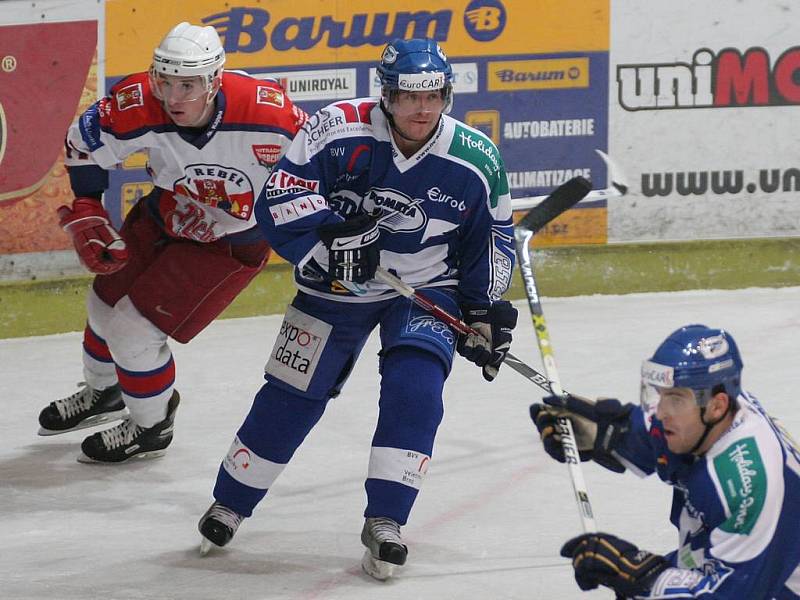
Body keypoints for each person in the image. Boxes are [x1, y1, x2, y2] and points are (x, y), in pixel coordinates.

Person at [196, 38, 519, 580]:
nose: (423, 109)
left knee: (415, 390)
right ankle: (230, 500)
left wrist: (482, 312)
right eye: (410, 97)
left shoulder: (475, 158)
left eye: (434, 95)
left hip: (426, 286)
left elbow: (491, 240)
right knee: (292, 392)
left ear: (447, 95)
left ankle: (387, 521)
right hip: (334, 286)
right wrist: (326, 249)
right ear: (386, 96)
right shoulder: (336, 127)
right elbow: (279, 195)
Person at [37, 22, 307, 463]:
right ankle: (103, 392)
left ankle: (151, 424)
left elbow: (322, 167)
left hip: (229, 242)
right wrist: (87, 202)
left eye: (188, 84)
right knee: (103, 303)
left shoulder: (268, 115)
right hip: (166, 214)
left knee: (133, 331)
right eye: (165, 82)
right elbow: (82, 144)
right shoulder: (138, 102)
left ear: (214, 80)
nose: (175, 97)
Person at [530, 324, 800, 598]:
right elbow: (654, 435)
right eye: (660, 395)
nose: (660, 413)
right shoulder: (718, 411)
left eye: (676, 399)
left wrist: (641, 575)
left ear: (717, 406)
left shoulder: (750, 485)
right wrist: (605, 433)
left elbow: (729, 594)